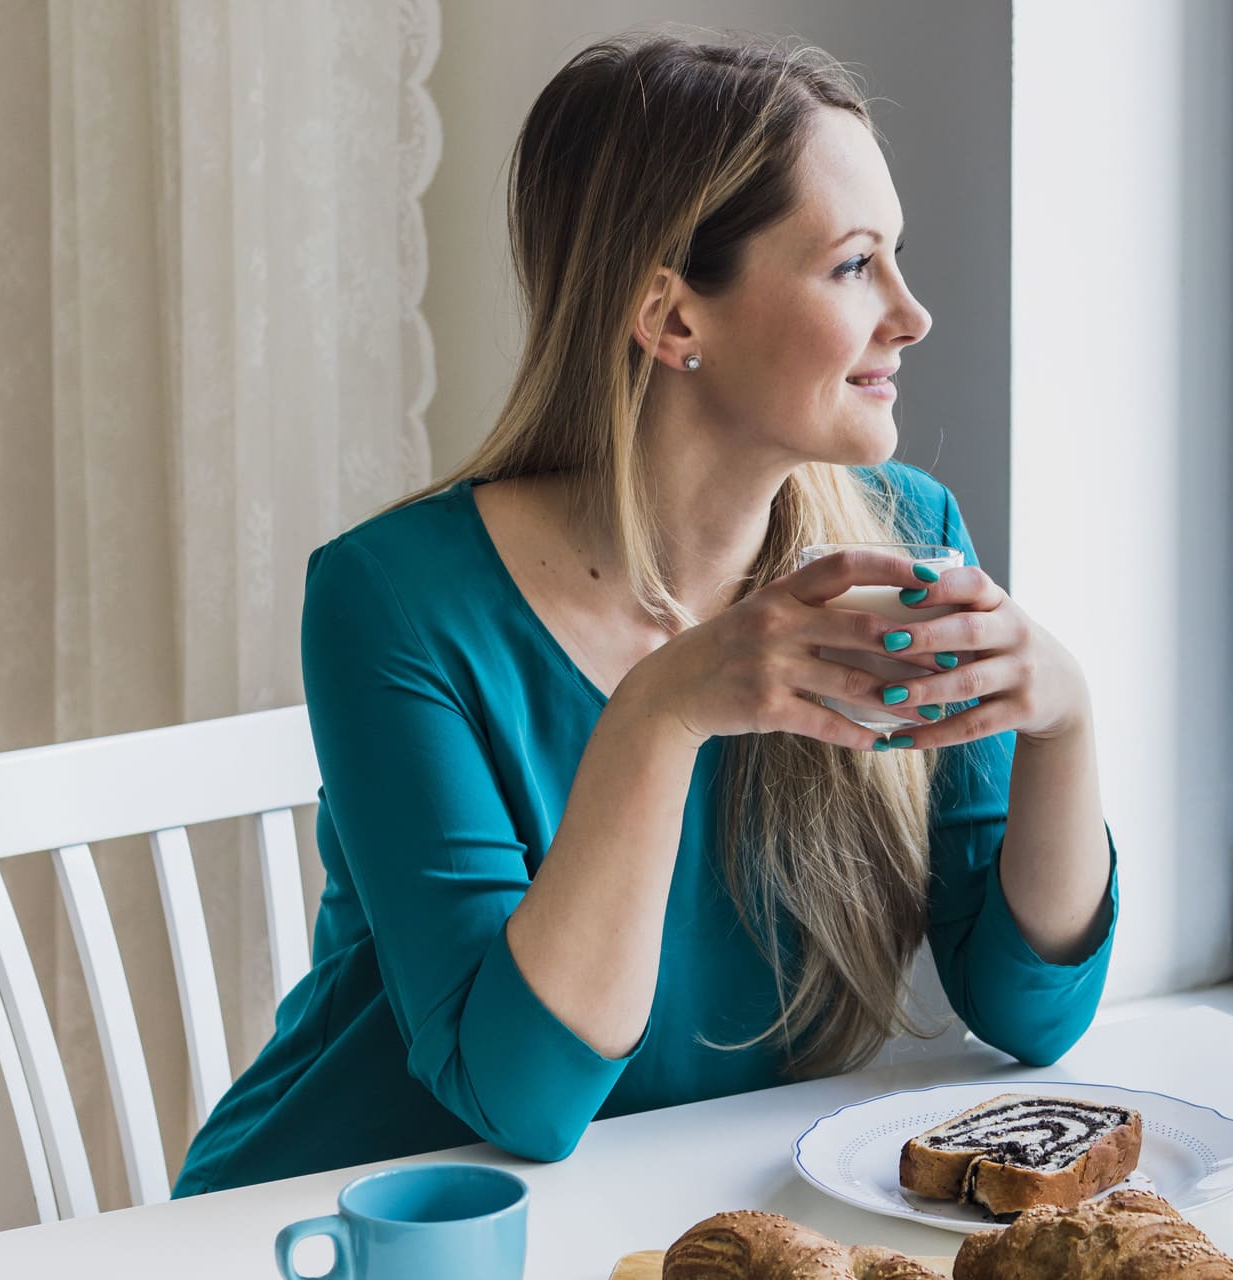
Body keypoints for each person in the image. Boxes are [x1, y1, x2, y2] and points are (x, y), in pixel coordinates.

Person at [172, 30, 1117, 1197]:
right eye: (853, 264)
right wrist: (662, 711)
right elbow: (523, 1098)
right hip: (346, 1222)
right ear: (674, 320)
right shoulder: (395, 600)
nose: (913, 314)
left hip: (656, 1223)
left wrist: (1064, 725)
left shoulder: (907, 545)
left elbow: (1031, 1012)